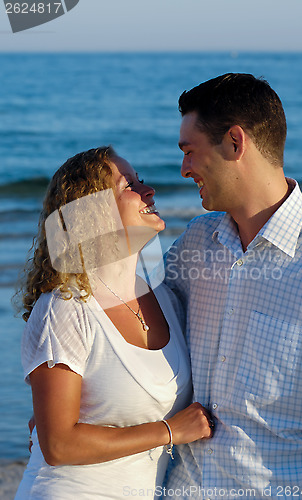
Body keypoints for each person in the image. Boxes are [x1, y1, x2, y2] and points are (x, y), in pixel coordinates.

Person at [163, 74, 302, 498]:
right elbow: (134, 324)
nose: (183, 169)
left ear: (235, 143)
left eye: (190, 152)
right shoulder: (196, 242)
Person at [14, 146, 213, 500]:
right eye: (128, 186)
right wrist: (169, 431)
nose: (147, 191)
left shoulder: (164, 296)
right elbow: (58, 445)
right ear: (94, 212)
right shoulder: (65, 308)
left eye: (142, 181)